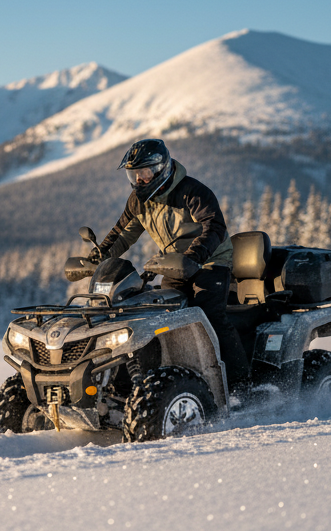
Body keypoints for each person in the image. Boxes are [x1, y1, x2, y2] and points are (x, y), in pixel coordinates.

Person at [88, 138, 251, 389]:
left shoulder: (192, 191)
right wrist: (101, 255)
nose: (139, 180)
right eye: (134, 175)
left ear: (161, 168)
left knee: (209, 316)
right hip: (174, 265)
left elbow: (214, 226)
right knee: (161, 316)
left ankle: (241, 383)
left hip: (210, 262)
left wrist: (194, 256)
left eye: (144, 173)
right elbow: (123, 233)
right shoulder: (138, 200)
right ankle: (170, 378)